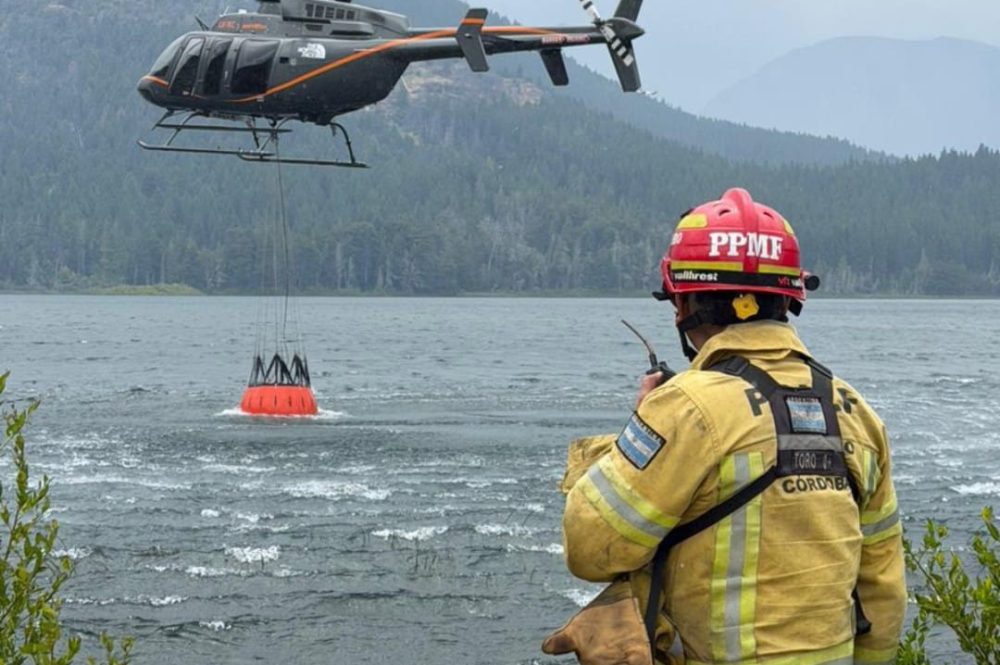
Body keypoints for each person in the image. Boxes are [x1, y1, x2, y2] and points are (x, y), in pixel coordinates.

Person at [543, 188, 906, 665]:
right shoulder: (856, 412)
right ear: (788, 298)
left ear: (685, 301)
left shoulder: (684, 408)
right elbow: (883, 592)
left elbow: (592, 550)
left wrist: (637, 428)